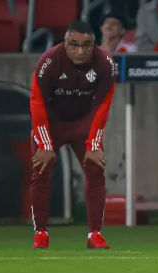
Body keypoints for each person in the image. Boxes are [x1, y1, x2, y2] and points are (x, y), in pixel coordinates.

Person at [30, 20, 116, 249]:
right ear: (65, 43)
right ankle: (41, 232)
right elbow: (37, 101)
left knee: (96, 171)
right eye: (75, 45)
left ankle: (95, 234)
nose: (81, 51)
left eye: (87, 45)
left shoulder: (105, 63)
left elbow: (103, 105)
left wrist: (94, 143)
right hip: (51, 123)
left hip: (83, 123)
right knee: (41, 171)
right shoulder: (48, 62)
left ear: (94, 44)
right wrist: (45, 144)